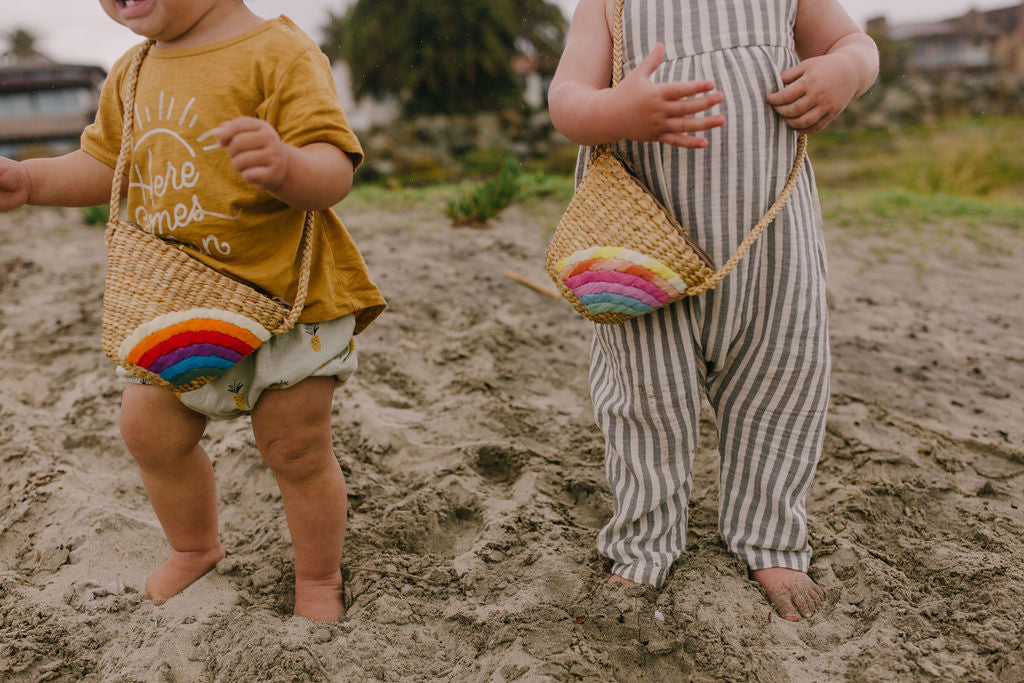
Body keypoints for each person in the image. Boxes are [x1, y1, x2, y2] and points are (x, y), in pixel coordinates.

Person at [0, 0, 386, 622]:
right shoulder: (132, 69)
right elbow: (107, 166)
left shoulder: (278, 52)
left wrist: (288, 166)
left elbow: (334, 166)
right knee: (148, 431)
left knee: (295, 448)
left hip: (287, 299)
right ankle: (195, 545)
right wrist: (32, 182)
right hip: (176, 302)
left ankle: (318, 577)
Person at [547, 0, 878, 621]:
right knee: (645, 401)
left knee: (781, 386)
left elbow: (854, 44)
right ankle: (646, 542)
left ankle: (770, 536)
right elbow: (566, 98)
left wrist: (847, 72)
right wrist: (619, 110)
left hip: (772, 247)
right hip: (646, 246)